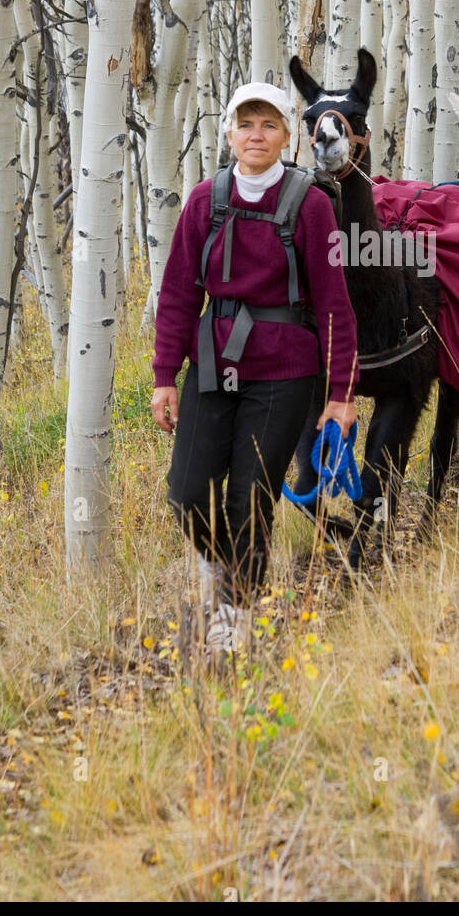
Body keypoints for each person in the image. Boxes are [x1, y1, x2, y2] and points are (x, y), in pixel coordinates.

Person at [151, 82, 358, 659]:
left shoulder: (311, 204)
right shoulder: (205, 200)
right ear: (229, 134)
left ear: (288, 135)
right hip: (213, 364)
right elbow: (176, 294)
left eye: (268, 124)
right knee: (187, 493)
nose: (256, 134)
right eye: (246, 124)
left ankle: (236, 611)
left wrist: (339, 394)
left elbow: (336, 304)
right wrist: (166, 375)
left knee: (250, 496)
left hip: (284, 372)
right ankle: (227, 569)